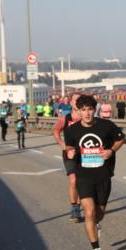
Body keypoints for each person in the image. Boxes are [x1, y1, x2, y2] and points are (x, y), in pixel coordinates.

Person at [63, 95, 126, 250]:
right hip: (83, 176)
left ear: (94, 109)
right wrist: (69, 151)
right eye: (83, 110)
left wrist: (111, 150)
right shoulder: (71, 130)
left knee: (99, 213)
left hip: (103, 175)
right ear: (78, 111)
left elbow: (121, 139)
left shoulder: (107, 126)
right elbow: (69, 145)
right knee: (89, 212)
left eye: (90, 109)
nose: (87, 113)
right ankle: (96, 249)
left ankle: (96, 222)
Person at [54, 92, 83, 222]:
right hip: (70, 153)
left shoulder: (87, 118)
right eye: (75, 100)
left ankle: (86, 206)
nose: (77, 102)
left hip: (86, 154)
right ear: (70, 103)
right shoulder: (65, 119)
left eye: (80, 100)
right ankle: (75, 208)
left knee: (84, 182)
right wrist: (62, 144)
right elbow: (55, 131)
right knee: (73, 180)